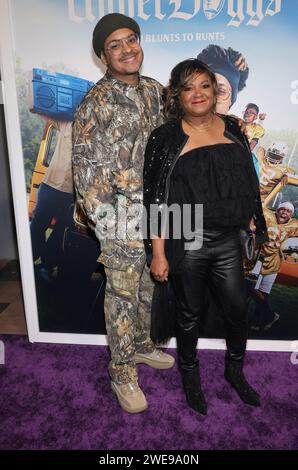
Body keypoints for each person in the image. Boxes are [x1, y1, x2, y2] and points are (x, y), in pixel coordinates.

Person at [143, 59, 268, 414]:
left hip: (228, 237)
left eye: (204, 85)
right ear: (177, 95)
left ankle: (234, 371)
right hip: (187, 236)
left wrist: (253, 219)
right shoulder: (165, 137)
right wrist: (159, 252)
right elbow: (155, 199)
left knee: (237, 310)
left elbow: (247, 178)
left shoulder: (232, 127)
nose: (197, 94)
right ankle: (190, 376)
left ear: (215, 92)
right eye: (188, 87)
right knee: (188, 314)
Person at [72, 13, 174, 414]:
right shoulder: (94, 104)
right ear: (103, 56)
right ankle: (122, 372)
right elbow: (86, 176)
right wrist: (112, 230)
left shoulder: (155, 91)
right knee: (121, 294)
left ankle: (143, 345)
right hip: (120, 220)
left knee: (152, 285)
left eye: (131, 39)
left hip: (160, 215)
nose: (127, 49)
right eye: (115, 44)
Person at [30, 119, 75, 281]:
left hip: (72, 193)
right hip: (49, 186)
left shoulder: (95, 132)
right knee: (37, 225)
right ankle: (28, 261)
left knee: (61, 231)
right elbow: (44, 111)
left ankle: (46, 267)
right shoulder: (66, 123)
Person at [250, 202, 298, 331]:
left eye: (288, 211)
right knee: (250, 286)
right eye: (282, 209)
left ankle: (257, 321)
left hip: (274, 262)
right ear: (276, 210)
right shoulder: (268, 216)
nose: (284, 212)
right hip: (259, 258)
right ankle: (271, 315)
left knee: (264, 293)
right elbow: (259, 205)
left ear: (291, 215)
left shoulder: (293, 225)